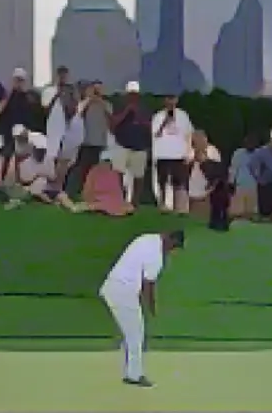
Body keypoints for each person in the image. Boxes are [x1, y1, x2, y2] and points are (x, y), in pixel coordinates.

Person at [98, 230, 184, 388]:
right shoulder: (156, 257)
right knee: (136, 334)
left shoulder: (145, 238)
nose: (171, 251)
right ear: (170, 240)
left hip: (113, 287)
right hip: (123, 292)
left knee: (132, 333)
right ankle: (134, 375)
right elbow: (148, 286)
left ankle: (129, 366)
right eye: (173, 247)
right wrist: (152, 307)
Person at [108, 82, 150, 205]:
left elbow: (149, 126)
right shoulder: (120, 105)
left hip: (140, 146)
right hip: (122, 144)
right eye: (131, 94)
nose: (133, 96)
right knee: (118, 173)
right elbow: (113, 124)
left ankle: (134, 202)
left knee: (139, 176)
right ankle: (120, 198)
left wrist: (138, 116)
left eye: (135, 94)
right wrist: (127, 111)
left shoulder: (144, 107)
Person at [150, 95, 193, 214]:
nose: (171, 101)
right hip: (163, 154)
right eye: (168, 98)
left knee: (180, 182)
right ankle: (164, 206)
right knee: (162, 181)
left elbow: (189, 134)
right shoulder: (158, 116)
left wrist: (188, 152)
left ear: (177, 100)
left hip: (179, 155)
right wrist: (165, 122)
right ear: (165, 100)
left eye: (173, 98)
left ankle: (180, 208)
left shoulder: (183, 115)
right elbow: (155, 134)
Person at [227, 133, 259, 221]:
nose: (250, 144)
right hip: (240, 185)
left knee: (250, 212)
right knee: (237, 212)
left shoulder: (258, 154)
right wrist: (231, 182)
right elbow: (233, 169)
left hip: (253, 185)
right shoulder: (238, 153)